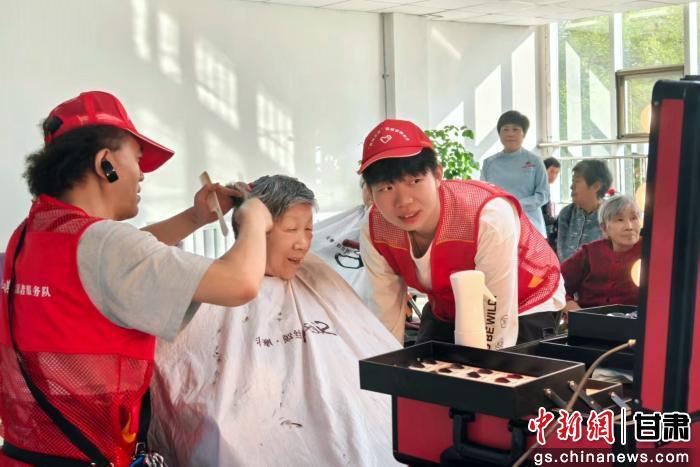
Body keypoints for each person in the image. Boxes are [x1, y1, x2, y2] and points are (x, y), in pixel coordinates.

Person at [0, 91, 272, 466]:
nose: (142, 174)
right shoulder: (105, 246)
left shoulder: (31, 234)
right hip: (88, 455)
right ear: (106, 163)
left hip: (25, 453)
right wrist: (254, 219)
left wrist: (195, 218)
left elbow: (115, 260)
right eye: (138, 160)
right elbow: (240, 282)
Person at [149, 175, 400, 466]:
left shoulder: (316, 275)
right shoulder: (210, 287)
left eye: (309, 229)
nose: (303, 243)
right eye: (291, 229)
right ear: (253, 229)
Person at [359, 119, 565, 349]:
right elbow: (385, 309)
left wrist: (490, 367)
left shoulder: (486, 215)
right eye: (386, 188)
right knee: (421, 365)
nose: (404, 201)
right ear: (369, 191)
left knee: (507, 367)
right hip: (449, 304)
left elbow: (496, 315)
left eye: (415, 181)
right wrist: (388, 364)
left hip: (522, 299)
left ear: (437, 175)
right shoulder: (374, 228)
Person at [561, 195, 642, 310]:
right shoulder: (589, 253)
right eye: (619, 220)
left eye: (634, 218)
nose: (629, 226)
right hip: (589, 318)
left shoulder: (651, 252)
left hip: (636, 320)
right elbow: (555, 284)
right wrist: (576, 312)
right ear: (604, 228)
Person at [480, 110, 549, 237]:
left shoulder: (535, 161)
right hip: (498, 224)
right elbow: (483, 194)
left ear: (524, 134)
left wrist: (516, 204)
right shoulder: (489, 163)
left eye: (516, 129)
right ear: (499, 134)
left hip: (530, 224)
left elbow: (543, 195)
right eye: (505, 129)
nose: (510, 134)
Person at [557, 159, 613, 262]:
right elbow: (561, 254)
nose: (571, 186)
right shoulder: (567, 213)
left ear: (596, 186)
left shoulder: (611, 216)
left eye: (577, 181)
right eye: (572, 181)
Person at [542, 157, 561, 250]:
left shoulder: (546, 186)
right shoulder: (539, 187)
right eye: (551, 171)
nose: (554, 176)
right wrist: (554, 220)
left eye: (557, 173)